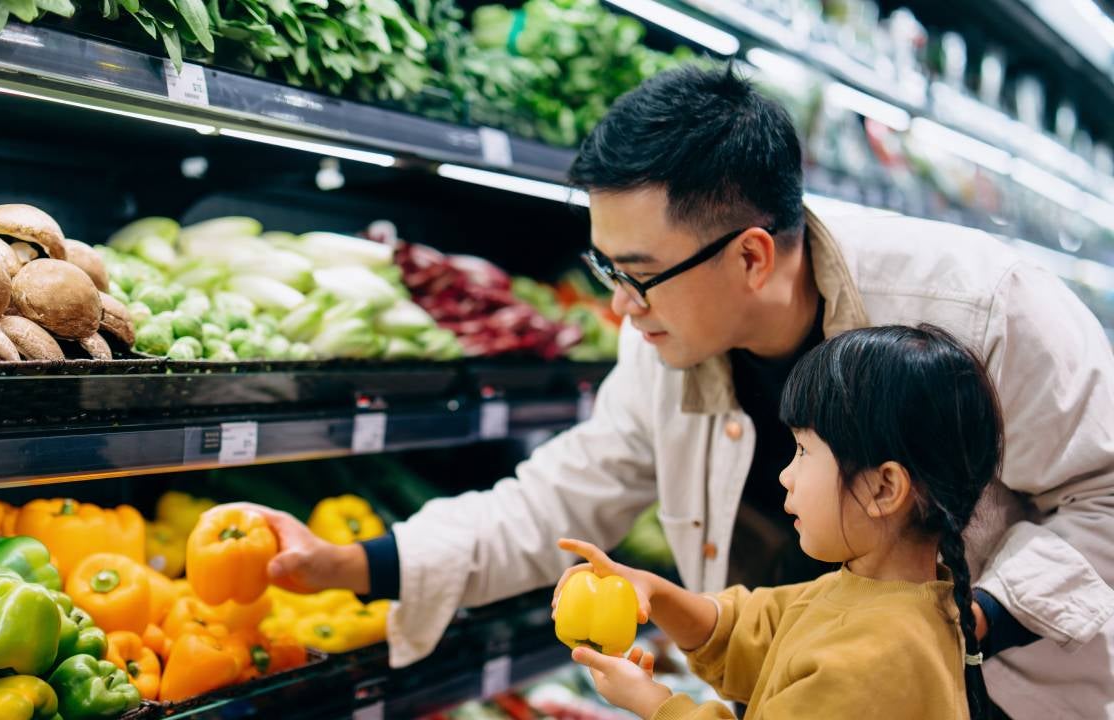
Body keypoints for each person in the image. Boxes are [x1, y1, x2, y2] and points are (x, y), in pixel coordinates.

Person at [254, 64, 1114, 718]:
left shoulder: (983, 304)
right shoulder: (667, 341)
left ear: (750, 255)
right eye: (605, 267)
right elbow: (561, 494)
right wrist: (356, 564)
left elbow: (1105, 494)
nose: (619, 305)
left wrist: (977, 618)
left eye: (639, 274)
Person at [556, 324, 1000, 720]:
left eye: (804, 451)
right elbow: (756, 629)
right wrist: (654, 591)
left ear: (884, 488)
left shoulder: (871, 661)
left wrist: (654, 705)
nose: (786, 474)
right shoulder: (874, 595)